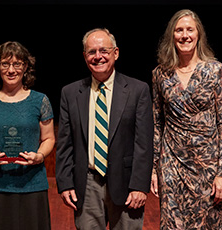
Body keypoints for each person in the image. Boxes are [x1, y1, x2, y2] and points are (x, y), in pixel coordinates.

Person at [55, 28, 153, 229]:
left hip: (127, 186)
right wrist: (65, 183)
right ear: (84, 56)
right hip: (87, 183)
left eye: (103, 51)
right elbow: (65, 143)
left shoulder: (137, 90)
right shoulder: (70, 93)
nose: (97, 56)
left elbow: (144, 143)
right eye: (91, 52)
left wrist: (139, 186)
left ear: (115, 53)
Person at [151, 9, 222, 229]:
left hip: (207, 168)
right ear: (172, 36)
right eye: (179, 30)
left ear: (198, 34)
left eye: (190, 30)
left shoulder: (215, 70)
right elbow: (157, 123)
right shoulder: (160, 74)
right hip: (172, 164)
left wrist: (221, 172)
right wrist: (154, 169)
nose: (184, 35)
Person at [0, 41, 55, 230]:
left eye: (17, 64)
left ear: (25, 67)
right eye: (5, 64)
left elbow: (49, 138)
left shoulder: (40, 100)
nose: (11, 70)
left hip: (32, 183)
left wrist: (39, 156)